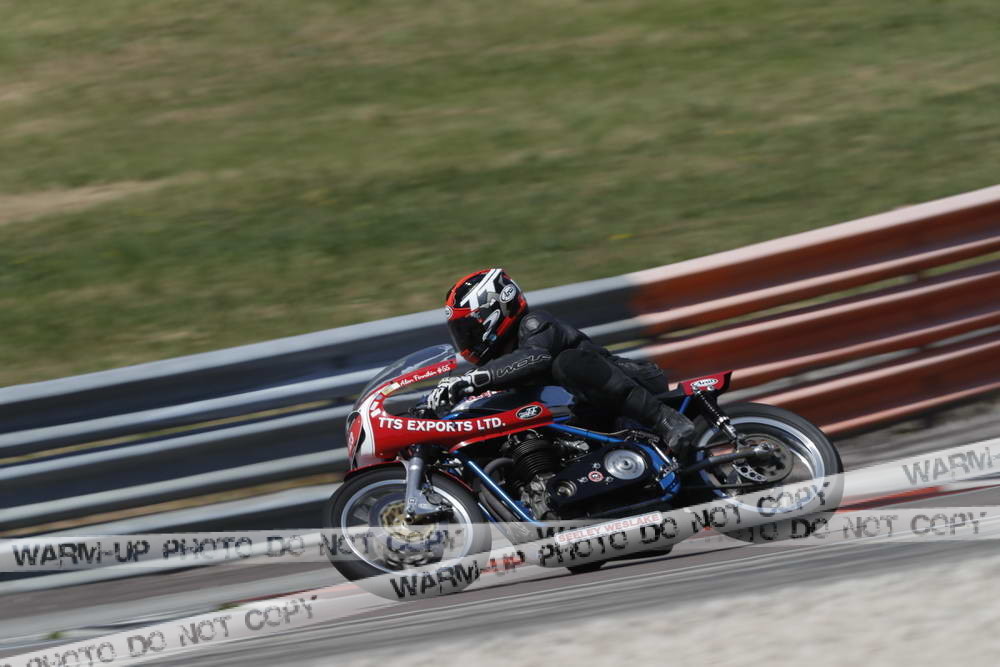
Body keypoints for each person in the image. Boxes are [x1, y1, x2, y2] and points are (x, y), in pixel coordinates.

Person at [425, 268, 695, 460]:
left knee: (567, 363)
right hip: (588, 418)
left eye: (471, 328)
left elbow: (536, 357)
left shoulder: (536, 325)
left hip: (631, 388)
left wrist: (472, 380)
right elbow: (494, 378)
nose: (467, 338)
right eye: (462, 332)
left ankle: (666, 419)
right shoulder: (498, 364)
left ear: (499, 308)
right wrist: (431, 410)